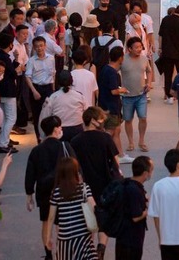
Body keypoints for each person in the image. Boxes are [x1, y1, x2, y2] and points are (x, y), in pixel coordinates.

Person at [70, 106, 122, 258]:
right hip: (105, 183)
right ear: (93, 120)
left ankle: (90, 250)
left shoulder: (75, 141)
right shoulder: (105, 138)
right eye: (100, 119)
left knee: (88, 219)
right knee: (104, 219)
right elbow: (115, 160)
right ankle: (101, 248)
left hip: (86, 185)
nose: (102, 122)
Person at [25, 116, 76, 260]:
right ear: (55, 129)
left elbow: (30, 173)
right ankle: (62, 252)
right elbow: (76, 167)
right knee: (61, 223)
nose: (61, 129)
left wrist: (29, 194)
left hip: (44, 190)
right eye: (59, 127)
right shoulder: (65, 146)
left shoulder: (37, 150)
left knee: (46, 221)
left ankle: (48, 253)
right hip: (64, 189)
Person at [44, 157, 99, 260]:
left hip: (65, 238)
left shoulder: (56, 192)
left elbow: (51, 217)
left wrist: (48, 237)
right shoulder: (84, 188)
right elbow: (93, 206)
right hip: (83, 237)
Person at [115, 156, 154, 260]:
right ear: (145, 173)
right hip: (131, 240)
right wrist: (149, 209)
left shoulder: (128, 183)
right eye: (151, 170)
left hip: (123, 237)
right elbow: (136, 217)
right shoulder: (134, 190)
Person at [121, 37, 153, 152]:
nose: (139, 49)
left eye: (140, 47)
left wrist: (149, 83)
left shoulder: (144, 59)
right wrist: (119, 88)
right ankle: (130, 142)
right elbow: (114, 72)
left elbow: (149, 71)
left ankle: (141, 141)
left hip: (141, 94)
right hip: (127, 96)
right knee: (128, 119)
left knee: (143, 118)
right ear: (129, 49)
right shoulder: (123, 60)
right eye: (136, 47)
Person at [39, 71, 88, 142]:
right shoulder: (80, 96)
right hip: (78, 130)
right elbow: (87, 114)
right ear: (72, 81)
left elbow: (43, 117)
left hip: (59, 131)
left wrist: (42, 137)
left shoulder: (53, 97)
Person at [0, 32, 20, 154]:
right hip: (8, 90)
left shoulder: (0, 56)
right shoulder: (5, 58)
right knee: (11, 117)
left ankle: (4, 139)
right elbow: (13, 73)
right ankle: (3, 142)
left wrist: (16, 60)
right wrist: (18, 68)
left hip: (1, 90)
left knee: (5, 117)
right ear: (9, 44)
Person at [26, 36, 56, 143]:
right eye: (37, 46)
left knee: (49, 114)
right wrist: (34, 91)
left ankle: (49, 138)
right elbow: (28, 77)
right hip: (36, 88)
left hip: (48, 88)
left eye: (41, 46)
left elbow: (53, 74)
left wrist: (53, 90)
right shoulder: (31, 61)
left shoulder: (51, 58)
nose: (39, 48)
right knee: (37, 115)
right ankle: (39, 138)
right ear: (34, 48)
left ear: (45, 46)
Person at [157, 3, 179, 104]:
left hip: (167, 51)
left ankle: (168, 96)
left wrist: (160, 48)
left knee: (168, 75)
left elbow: (160, 35)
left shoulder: (166, 19)